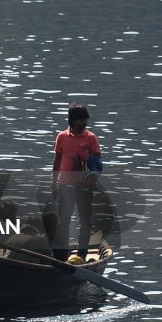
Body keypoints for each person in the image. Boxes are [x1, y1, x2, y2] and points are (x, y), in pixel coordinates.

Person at [51, 102, 102, 263]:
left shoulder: (91, 138)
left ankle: (81, 255)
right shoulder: (62, 137)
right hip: (65, 184)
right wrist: (54, 183)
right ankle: (62, 256)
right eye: (81, 120)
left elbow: (97, 164)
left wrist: (82, 159)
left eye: (86, 120)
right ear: (72, 121)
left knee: (84, 221)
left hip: (85, 186)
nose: (85, 123)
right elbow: (57, 160)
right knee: (63, 221)